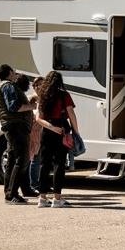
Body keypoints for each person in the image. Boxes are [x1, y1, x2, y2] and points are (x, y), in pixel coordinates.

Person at [34, 71, 79, 208]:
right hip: (61, 131)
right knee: (59, 165)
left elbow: (38, 118)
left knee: (44, 164)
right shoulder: (64, 95)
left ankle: (42, 198)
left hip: (47, 132)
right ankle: (57, 199)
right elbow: (71, 114)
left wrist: (51, 127)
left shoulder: (42, 96)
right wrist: (76, 132)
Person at [0, 64, 37, 204]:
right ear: (9, 73)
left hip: (13, 127)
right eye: (13, 71)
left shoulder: (4, 85)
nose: (15, 74)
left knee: (13, 160)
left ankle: (11, 192)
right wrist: (32, 107)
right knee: (22, 159)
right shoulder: (8, 86)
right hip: (16, 127)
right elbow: (13, 106)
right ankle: (12, 194)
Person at [27, 76, 45, 193]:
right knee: (32, 159)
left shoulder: (44, 99)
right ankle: (33, 184)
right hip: (32, 132)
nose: (38, 86)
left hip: (41, 133)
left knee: (38, 160)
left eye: (41, 84)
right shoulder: (31, 99)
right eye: (36, 85)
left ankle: (37, 183)